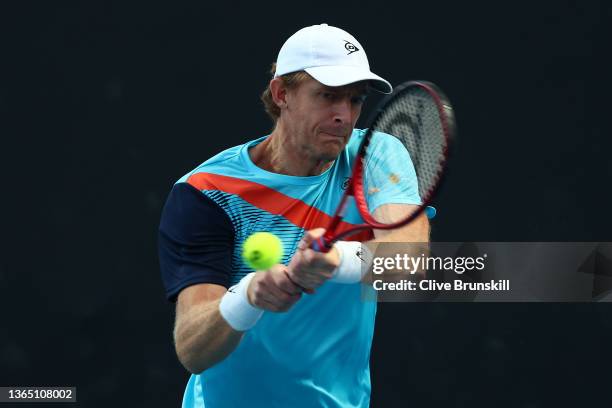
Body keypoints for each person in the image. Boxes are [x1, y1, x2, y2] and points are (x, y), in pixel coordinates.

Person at [158, 23, 430, 408]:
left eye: (355, 100)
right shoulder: (206, 191)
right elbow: (193, 348)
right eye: (328, 97)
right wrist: (249, 296)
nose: (344, 115)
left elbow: (410, 259)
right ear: (281, 93)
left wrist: (335, 262)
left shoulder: (375, 153)